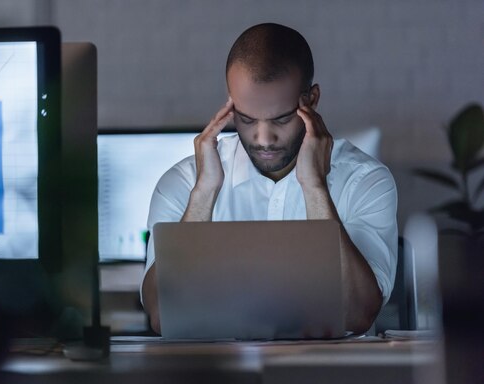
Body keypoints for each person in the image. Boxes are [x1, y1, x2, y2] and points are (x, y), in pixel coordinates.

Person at [141, 23, 398, 335]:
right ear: (230, 104)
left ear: (312, 100)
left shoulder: (365, 181)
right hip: (219, 378)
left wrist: (315, 187)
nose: (263, 138)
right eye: (247, 119)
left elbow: (357, 315)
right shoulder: (184, 184)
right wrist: (204, 194)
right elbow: (158, 317)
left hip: (330, 378)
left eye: (282, 118)